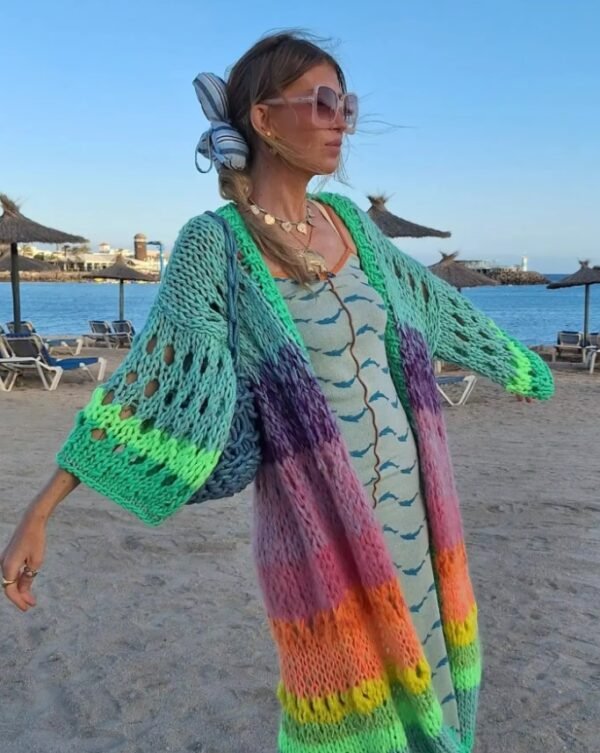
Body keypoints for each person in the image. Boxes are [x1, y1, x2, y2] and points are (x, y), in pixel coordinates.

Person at [1, 31, 553, 753]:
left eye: (346, 104)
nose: (341, 120)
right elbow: (145, 387)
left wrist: (521, 365)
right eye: (323, 102)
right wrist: (40, 509)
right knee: (343, 721)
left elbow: (439, 309)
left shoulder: (351, 224)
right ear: (263, 119)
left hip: (418, 519)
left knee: (436, 708)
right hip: (319, 534)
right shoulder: (217, 245)